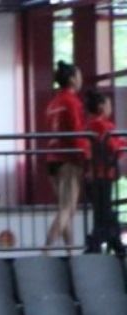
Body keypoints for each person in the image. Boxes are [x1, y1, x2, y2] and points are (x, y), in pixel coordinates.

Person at [45, 61, 88, 254]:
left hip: (52, 159)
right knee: (67, 208)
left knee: (65, 208)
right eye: (78, 76)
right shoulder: (72, 102)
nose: (81, 79)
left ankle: (70, 251)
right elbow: (77, 132)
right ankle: (46, 249)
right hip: (68, 158)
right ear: (72, 79)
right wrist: (85, 156)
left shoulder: (53, 103)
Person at [84, 89, 125, 256]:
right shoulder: (103, 125)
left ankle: (113, 244)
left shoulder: (89, 125)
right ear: (101, 106)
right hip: (103, 174)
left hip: (93, 175)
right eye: (108, 104)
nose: (110, 108)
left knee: (102, 212)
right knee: (104, 212)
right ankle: (101, 245)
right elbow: (115, 148)